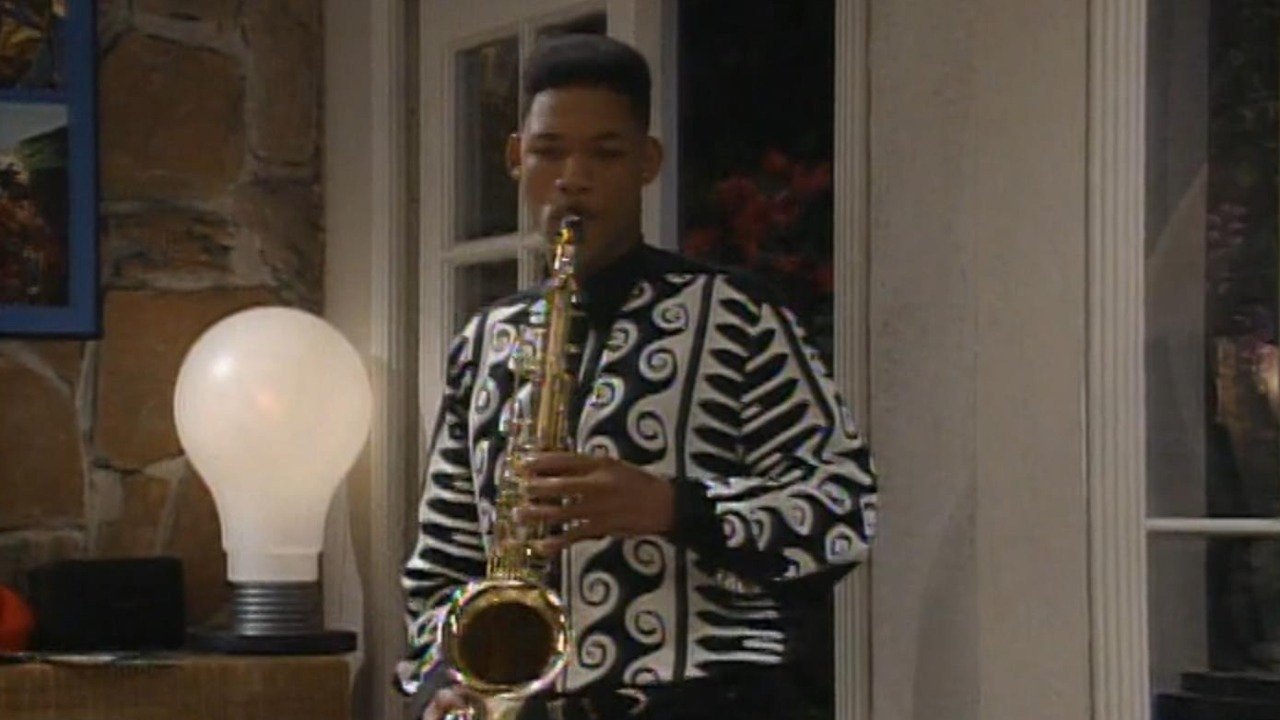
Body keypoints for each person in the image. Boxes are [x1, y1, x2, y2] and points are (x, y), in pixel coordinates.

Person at [397, 33, 878, 720]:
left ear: (648, 162)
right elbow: (441, 567)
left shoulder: (738, 315)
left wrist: (675, 508)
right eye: (549, 151)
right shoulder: (484, 342)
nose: (573, 178)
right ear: (515, 158)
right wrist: (442, 681)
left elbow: (844, 511)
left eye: (605, 153)